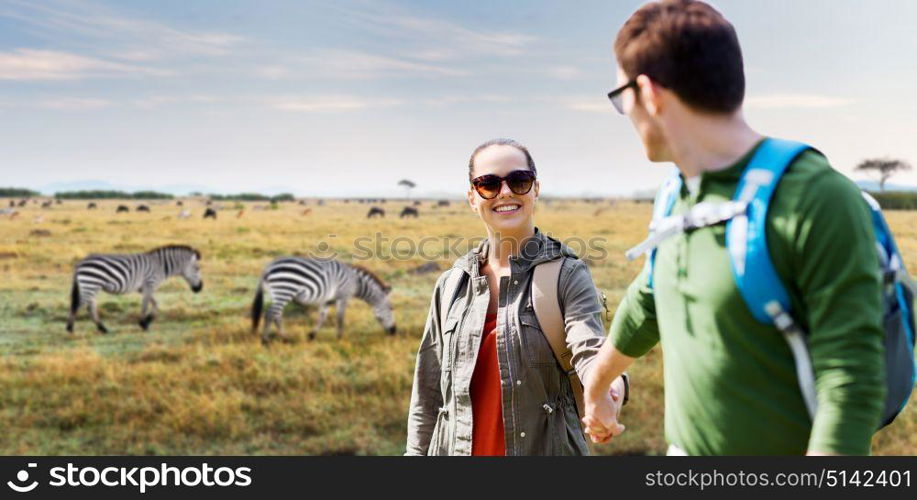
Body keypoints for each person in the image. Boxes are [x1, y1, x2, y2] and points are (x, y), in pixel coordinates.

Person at [583, 0, 885, 455]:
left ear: (649, 94)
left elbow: (850, 383)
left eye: (621, 97)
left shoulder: (816, 197)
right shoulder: (676, 194)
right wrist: (597, 385)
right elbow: (649, 300)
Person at [405, 138, 627, 455]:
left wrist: (607, 390)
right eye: (488, 184)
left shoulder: (566, 275)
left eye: (519, 181)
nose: (505, 192)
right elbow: (428, 394)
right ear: (472, 197)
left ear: (535, 189)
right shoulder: (452, 284)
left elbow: (590, 351)